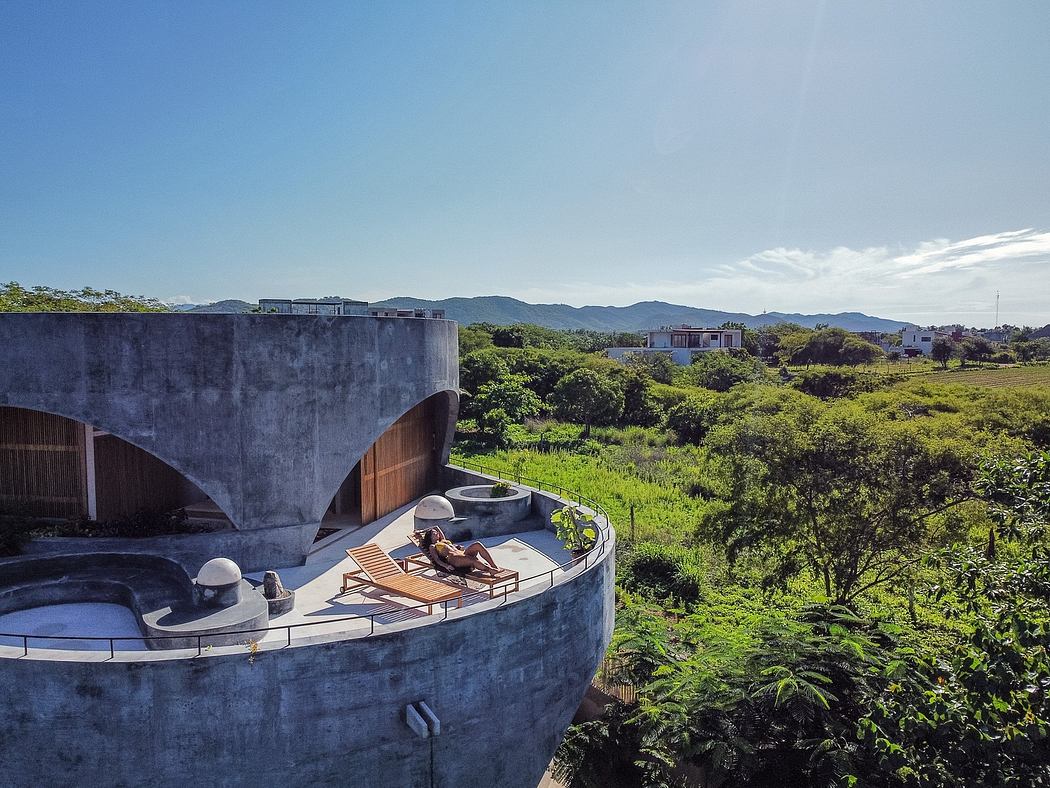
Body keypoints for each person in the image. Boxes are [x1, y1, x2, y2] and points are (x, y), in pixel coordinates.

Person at [419, 527, 501, 576]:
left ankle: (493, 565)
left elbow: (437, 527)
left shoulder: (443, 540)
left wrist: (424, 530)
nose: (437, 533)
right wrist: (446, 566)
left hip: (461, 553)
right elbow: (436, 560)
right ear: (430, 537)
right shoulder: (432, 546)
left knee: (477, 545)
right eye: (434, 533)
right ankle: (490, 570)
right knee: (472, 560)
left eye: (436, 533)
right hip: (453, 559)